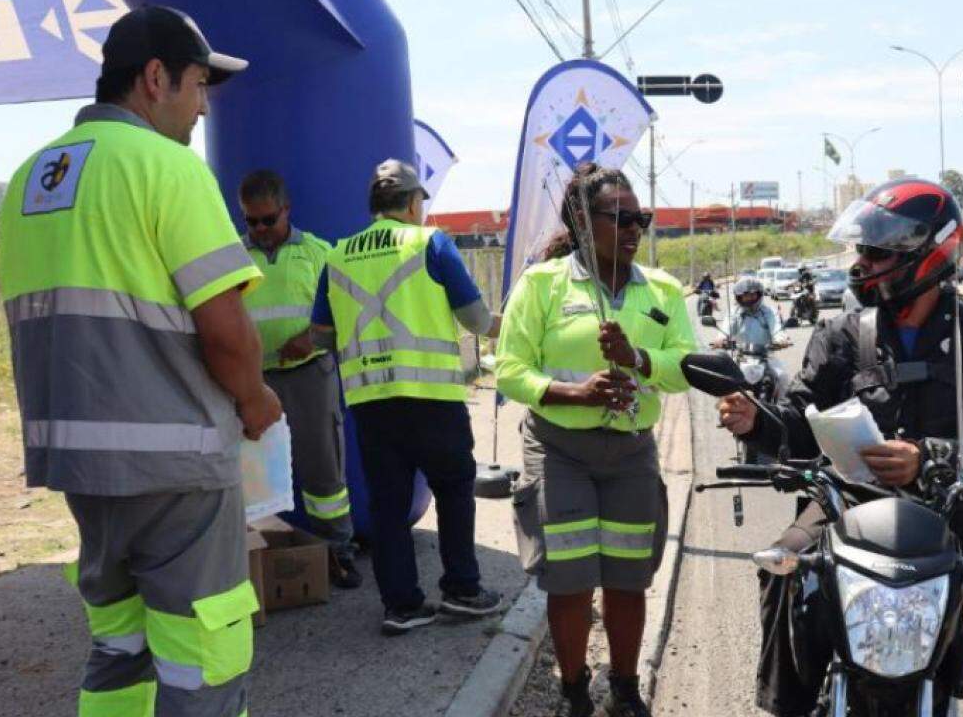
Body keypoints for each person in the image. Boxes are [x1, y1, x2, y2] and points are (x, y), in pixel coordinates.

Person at [0, 5, 279, 717]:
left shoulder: (30, 180)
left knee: (121, 653)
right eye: (196, 85)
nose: (203, 106)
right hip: (176, 464)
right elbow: (226, 330)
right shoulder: (166, 167)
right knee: (203, 661)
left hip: (78, 466)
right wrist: (256, 402)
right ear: (155, 79)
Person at [717, 178, 963, 716]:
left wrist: (929, 458)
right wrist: (753, 422)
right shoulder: (842, 334)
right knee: (782, 568)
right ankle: (786, 707)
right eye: (863, 250)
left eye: (878, 252)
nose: (863, 264)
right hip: (848, 507)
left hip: (953, 513)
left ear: (928, 254)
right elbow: (801, 420)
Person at [496, 163, 697, 717]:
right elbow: (509, 368)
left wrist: (637, 359)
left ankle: (626, 691)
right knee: (570, 580)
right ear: (583, 223)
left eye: (642, 219)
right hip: (560, 449)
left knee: (628, 577)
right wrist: (571, 393)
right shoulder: (542, 285)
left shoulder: (662, 290)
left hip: (631, 450)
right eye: (621, 218)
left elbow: (685, 367)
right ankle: (574, 689)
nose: (636, 229)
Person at [310, 159, 504, 635]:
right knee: (455, 490)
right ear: (415, 203)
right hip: (432, 397)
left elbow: (319, 335)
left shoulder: (336, 258)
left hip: (371, 404)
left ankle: (401, 606)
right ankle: (462, 590)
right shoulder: (429, 242)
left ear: (374, 206)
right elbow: (477, 321)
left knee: (388, 505)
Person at [238, 169, 361, 589]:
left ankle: (338, 551)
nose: (259, 230)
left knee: (323, 469)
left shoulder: (318, 253)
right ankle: (253, 560)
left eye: (267, 219)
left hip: (309, 375)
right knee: (249, 470)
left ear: (286, 210)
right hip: (252, 381)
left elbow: (347, 312)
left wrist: (312, 338)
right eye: (250, 221)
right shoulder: (232, 258)